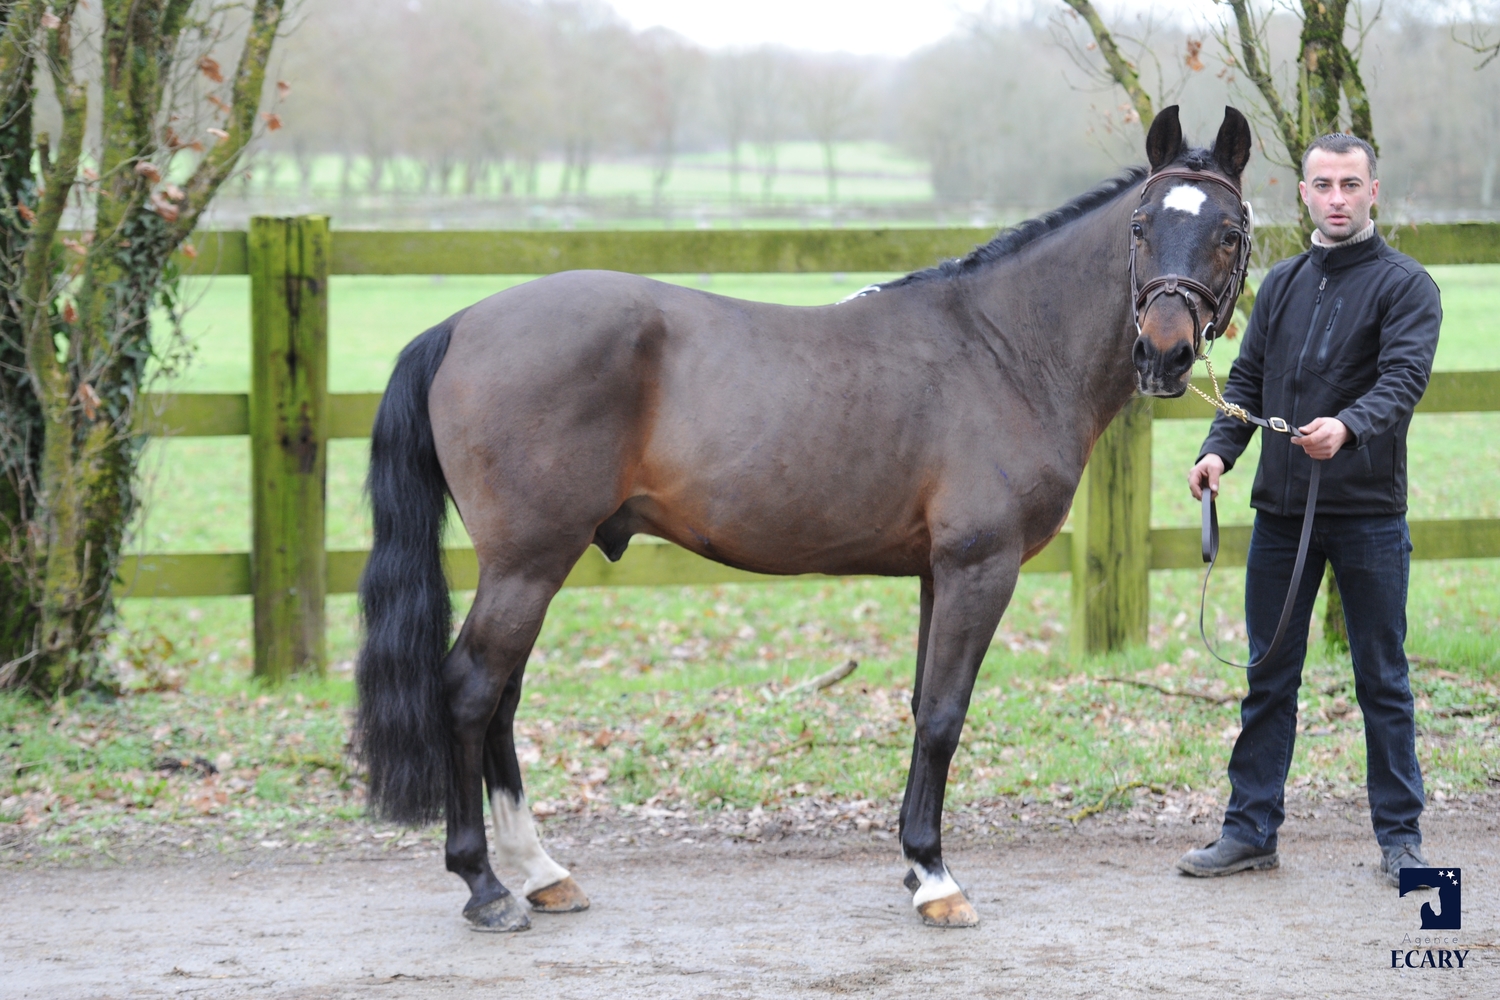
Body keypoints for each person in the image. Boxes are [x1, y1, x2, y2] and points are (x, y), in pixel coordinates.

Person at [1175, 133, 1442, 887]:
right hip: (1282, 517)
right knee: (1269, 676)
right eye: (1322, 184)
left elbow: (1402, 381)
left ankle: (1401, 839)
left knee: (1382, 681)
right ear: (1303, 194)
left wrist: (1349, 426)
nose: (1336, 198)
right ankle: (1250, 830)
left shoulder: (1406, 286)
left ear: (1372, 192)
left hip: (1368, 517)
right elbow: (1248, 383)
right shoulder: (1286, 283)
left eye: (1349, 185)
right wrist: (1218, 451)